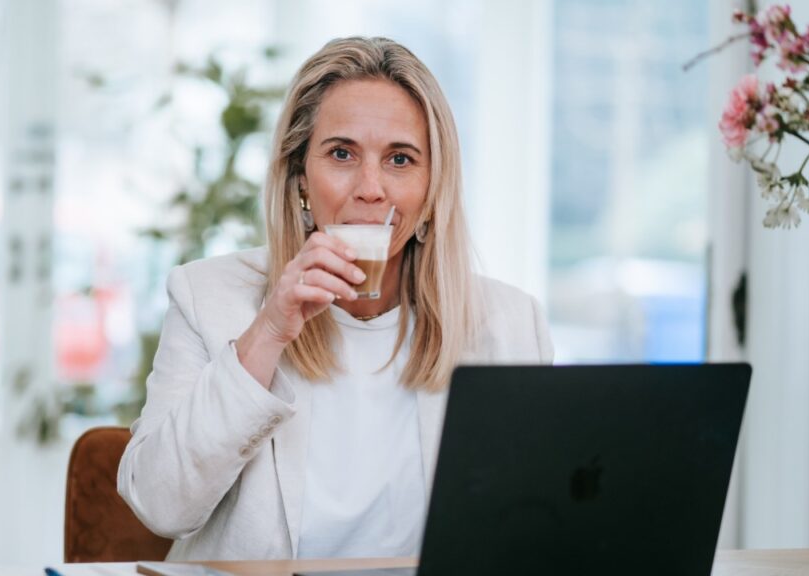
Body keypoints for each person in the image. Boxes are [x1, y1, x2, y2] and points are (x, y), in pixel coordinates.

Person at [118, 36, 553, 561]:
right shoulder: (207, 298)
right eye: (342, 154)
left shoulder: (508, 324)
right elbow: (161, 506)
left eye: (400, 158)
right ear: (301, 179)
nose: (371, 189)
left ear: (433, 190)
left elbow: (534, 529)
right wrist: (269, 331)